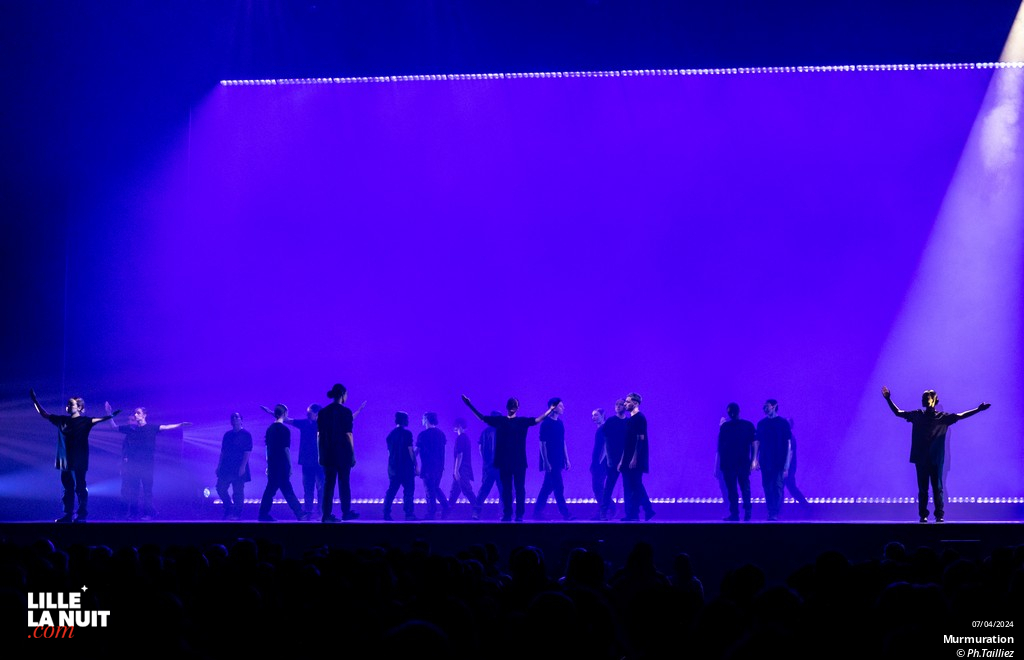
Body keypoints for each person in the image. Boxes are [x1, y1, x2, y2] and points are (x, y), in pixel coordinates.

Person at [881, 386, 990, 523]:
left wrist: (978, 410)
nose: (924, 400)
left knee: (937, 488)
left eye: (927, 398)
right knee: (923, 488)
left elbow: (960, 415)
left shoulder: (942, 418)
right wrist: (888, 399)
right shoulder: (917, 415)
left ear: (934, 400)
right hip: (921, 458)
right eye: (922, 398)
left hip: (936, 458)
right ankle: (923, 515)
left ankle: (939, 515)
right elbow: (898, 412)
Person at [462, 395, 556, 522]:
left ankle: (519, 514)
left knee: (518, 489)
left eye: (514, 405)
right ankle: (507, 514)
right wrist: (469, 405)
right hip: (504, 462)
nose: (512, 407)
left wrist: (550, 410)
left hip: (518, 462)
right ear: (508, 407)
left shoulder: (521, 422)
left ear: (517, 407)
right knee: (506, 490)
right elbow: (482, 418)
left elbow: (537, 420)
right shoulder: (501, 421)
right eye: (511, 405)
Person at [30, 390, 118, 523]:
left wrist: (110, 414)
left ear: (80, 408)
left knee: (80, 486)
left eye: (71, 404)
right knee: (67, 488)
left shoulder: (85, 421)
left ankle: (82, 514)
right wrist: (35, 401)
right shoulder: (61, 420)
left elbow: (101, 419)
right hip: (64, 459)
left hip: (79, 459)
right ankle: (68, 514)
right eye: (68, 404)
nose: (68, 406)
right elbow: (44, 414)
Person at [104, 401, 191, 520]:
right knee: (134, 491)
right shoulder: (131, 429)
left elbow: (166, 427)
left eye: (138, 413)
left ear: (144, 415)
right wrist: (109, 413)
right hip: (134, 465)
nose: (135, 415)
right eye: (135, 413)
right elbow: (113, 427)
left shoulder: (151, 428)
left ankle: (149, 513)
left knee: (147, 491)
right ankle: (133, 514)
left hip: (147, 465)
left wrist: (180, 425)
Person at [258, 404, 310, 521]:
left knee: (271, 489)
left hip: (272, 463)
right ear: (285, 414)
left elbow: (267, 448)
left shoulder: (270, 429)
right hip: (282, 464)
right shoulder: (284, 430)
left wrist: (268, 464)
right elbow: (286, 449)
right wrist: (290, 466)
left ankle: (263, 514)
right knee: (285, 488)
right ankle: (300, 513)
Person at [317, 383, 359, 522]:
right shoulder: (346, 412)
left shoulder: (323, 412)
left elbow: (319, 435)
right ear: (342, 394)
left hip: (327, 454)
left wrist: (320, 454)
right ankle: (346, 512)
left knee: (328, 485)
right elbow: (348, 435)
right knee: (344, 483)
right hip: (343, 453)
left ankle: (326, 515)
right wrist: (352, 454)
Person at [534, 397, 574, 520]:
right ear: (553, 406)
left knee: (547, 487)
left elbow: (563, 442)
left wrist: (566, 459)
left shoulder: (560, 423)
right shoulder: (546, 423)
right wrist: (546, 462)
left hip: (558, 459)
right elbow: (542, 444)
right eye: (561, 406)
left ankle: (537, 512)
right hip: (550, 460)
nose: (563, 408)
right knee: (558, 486)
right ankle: (565, 514)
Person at [715, 403, 755, 521]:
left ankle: (737, 513)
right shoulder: (747, 425)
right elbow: (754, 444)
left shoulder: (726, 427)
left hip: (732, 464)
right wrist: (753, 459)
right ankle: (745, 512)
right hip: (739, 463)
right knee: (743, 488)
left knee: (734, 489)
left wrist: (720, 465)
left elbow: (721, 448)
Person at [753, 399, 791, 521]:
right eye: (764, 406)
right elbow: (757, 441)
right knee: (767, 486)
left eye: (767, 406)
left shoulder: (783, 423)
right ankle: (771, 512)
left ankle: (775, 511)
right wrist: (755, 459)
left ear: (774, 407)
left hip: (779, 461)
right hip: (765, 460)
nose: (765, 408)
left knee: (777, 486)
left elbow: (788, 444)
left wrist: (786, 465)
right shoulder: (761, 424)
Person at [620, 392, 654, 521]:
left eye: (628, 401)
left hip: (636, 457)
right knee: (634, 485)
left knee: (635, 485)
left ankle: (635, 514)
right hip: (628, 457)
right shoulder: (630, 420)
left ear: (635, 403)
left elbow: (640, 439)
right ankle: (647, 509)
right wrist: (622, 460)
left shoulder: (640, 418)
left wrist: (635, 458)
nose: (625, 403)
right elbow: (627, 442)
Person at [216, 412, 252, 520]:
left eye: (237, 417)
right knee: (220, 488)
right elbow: (223, 452)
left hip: (238, 467)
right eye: (233, 417)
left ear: (241, 420)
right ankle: (228, 507)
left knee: (238, 491)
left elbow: (247, 452)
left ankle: (237, 513)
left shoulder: (246, 434)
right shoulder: (227, 435)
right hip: (226, 466)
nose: (235, 418)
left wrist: (243, 467)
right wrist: (219, 466)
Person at [384, 411, 417, 521]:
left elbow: (389, 453)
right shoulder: (407, 434)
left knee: (391, 490)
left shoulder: (390, 435)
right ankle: (409, 514)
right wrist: (416, 465)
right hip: (406, 468)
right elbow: (410, 451)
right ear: (404, 420)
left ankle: (386, 513)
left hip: (393, 467)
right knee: (408, 491)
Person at [417, 412, 450, 520]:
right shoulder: (441, 434)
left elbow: (417, 450)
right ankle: (446, 506)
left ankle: (431, 512)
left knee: (429, 490)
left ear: (426, 419)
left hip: (427, 467)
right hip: (439, 467)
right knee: (435, 488)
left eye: (423, 418)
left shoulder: (423, 435)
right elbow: (443, 452)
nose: (422, 420)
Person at [600, 399, 628, 520]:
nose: (618, 407)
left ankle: (629, 513)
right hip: (613, 459)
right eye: (616, 404)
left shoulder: (628, 422)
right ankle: (604, 512)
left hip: (626, 458)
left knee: (628, 486)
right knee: (609, 486)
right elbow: (606, 441)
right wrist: (609, 459)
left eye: (620, 405)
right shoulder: (611, 421)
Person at [473, 411, 501, 520]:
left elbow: (480, 448)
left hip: (488, 466)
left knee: (484, 490)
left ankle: (476, 512)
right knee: (503, 491)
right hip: (500, 466)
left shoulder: (484, 432)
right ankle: (502, 513)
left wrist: (485, 460)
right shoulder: (502, 432)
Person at [447, 417, 478, 514]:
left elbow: (460, 455)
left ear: (459, 426)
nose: (453, 427)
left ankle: (477, 509)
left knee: (466, 490)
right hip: (464, 468)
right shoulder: (465, 438)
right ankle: (446, 512)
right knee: (454, 492)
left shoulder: (461, 438)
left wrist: (456, 470)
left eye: (455, 425)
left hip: (462, 469)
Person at [784, 417, 808, 506]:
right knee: (789, 487)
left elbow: (790, 453)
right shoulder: (787, 437)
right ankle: (805, 505)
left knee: (789, 487)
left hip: (788, 467)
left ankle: (805, 505)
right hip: (788, 467)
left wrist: (786, 468)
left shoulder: (789, 437)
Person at [589, 408, 608, 520]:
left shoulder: (604, 428)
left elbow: (606, 446)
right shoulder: (599, 429)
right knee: (598, 487)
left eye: (596, 415)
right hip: (597, 462)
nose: (593, 418)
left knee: (597, 487)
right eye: (593, 415)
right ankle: (607, 509)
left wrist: (599, 462)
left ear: (602, 415)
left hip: (601, 463)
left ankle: (605, 510)